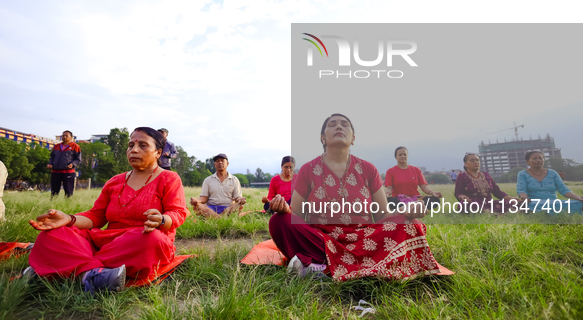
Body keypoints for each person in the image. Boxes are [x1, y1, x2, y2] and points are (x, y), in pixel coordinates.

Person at [268, 114, 440, 281]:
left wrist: (405, 211)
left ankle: (319, 266)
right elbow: (297, 216)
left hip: (364, 240)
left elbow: (383, 216)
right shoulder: (307, 169)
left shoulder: (368, 169)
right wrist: (285, 210)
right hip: (321, 239)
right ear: (322, 138)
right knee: (279, 221)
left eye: (345, 124)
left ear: (353, 138)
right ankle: (364, 266)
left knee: (410, 224)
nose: (339, 126)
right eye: (332, 124)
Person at [27, 127, 187, 293]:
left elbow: (177, 213)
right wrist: (69, 219)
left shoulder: (169, 178)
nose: (134, 150)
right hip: (105, 243)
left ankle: (60, 268)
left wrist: (162, 219)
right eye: (130, 145)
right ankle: (92, 274)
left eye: (143, 145)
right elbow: (96, 216)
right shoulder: (114, 181)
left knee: (152, 240)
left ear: (158, 152)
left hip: (139, 243)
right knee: (53, 233)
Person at [516, 151, 583, 215]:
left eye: (540, 158)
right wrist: (524, 198)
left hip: (553, 202)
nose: (538, 160)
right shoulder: (522, 174)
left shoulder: (552, 173)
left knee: (580, 204)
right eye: (534, 158)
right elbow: (521, 190)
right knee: (528, 205)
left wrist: (578, 198)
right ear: (527, 161)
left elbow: (564, 190)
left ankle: (550, 213)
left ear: (543, 160)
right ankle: (551, 213)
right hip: (534, 203)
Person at [455, 153, 519, 213]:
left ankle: (491, 212)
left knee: (513, 202)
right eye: (472, 161)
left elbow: (497, 192)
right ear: (466, 164)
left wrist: (510, 198)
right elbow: (458, 192)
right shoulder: (462, 176)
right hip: (474, 203)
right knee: (463, 205)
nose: (476, 162)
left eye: (477, 160)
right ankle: (492, 213)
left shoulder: (486, 175)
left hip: (490, 203)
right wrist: (463, 197)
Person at [190, 153, 246, 218]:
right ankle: (221, 218)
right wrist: (197, 200)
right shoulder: (208, 180)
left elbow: (237, 198)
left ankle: (215, 218)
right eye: (217, 161)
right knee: (198, 205)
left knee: (238, 205)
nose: (220, 162)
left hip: (228, 208)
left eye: (222, 160)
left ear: (227, 163)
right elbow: (204, 198)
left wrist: (240, 200)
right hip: (210, 208)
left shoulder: (234, 179)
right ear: (214, 164)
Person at [47, 130, 82, 198]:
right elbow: (52, 157)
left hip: (68, 172)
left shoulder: (75, 146)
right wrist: (50, 164)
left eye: (66, 136)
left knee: (68, 192)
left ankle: (68, 205)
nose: (64, 137)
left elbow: (78, 159)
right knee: (54, 192)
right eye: (63, 135)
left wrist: (72, 164)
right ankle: (53, 205)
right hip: (55, 172)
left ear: (71, 137)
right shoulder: (56, 146)